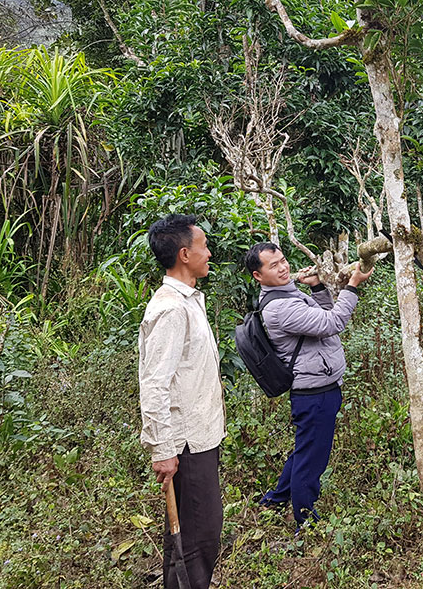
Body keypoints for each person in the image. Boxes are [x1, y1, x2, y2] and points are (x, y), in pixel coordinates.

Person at [246, 241, 372, 531]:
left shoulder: (291, 294)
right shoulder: (279, 308)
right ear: (258, 275)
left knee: (305, 449)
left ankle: (274, 499)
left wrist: (316, 287)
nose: (283, 267)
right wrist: (353, 285)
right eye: (273, 265)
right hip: (315, 393)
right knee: (312, 461)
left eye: (283, 260)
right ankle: (306, 522)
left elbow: (322, 313)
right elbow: (333, 322)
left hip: (320, 386)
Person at [139, 214, 225, 589]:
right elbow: (154, 383)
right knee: (199, 540)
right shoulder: (171, 308)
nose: (210, 253)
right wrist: (163, 448)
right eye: (204, 246)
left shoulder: (188, 301)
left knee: (186, 538)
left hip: (201, 436)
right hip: (186, 443)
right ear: (185, 254)